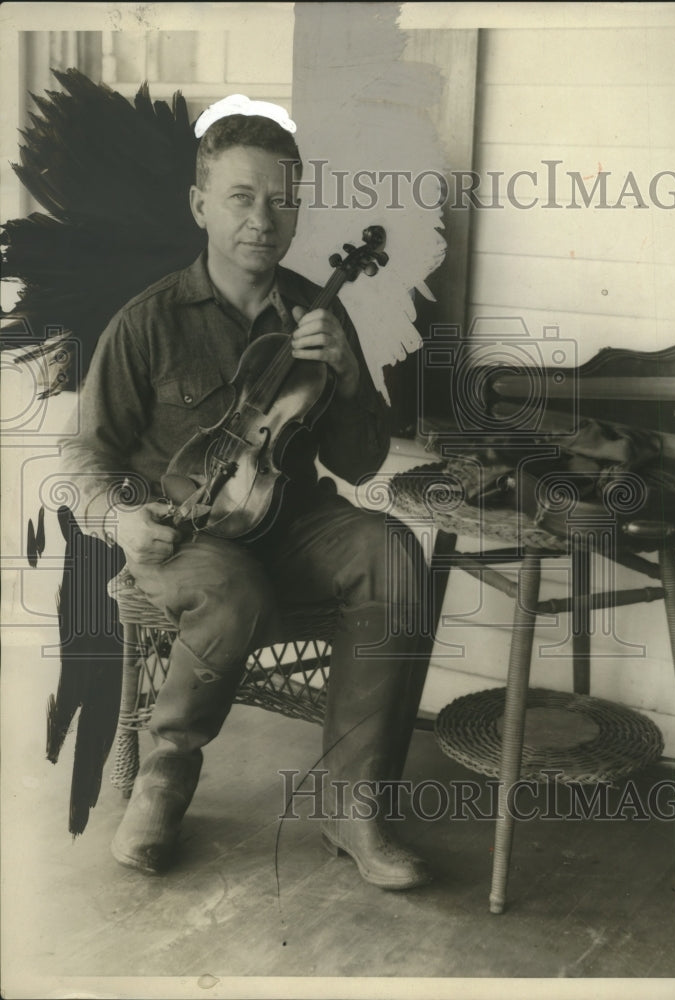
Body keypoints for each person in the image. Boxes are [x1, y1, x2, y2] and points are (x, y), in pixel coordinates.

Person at [58, 99, 432, 890]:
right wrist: (121, 519)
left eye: (281, 199)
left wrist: (351, 375)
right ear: (201, 206)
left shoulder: (321, 314)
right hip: (187, 540)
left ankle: (353, 805)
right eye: (240, 197)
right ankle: (167, 773)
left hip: (293, 523)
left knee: (393, 550)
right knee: (233, 585)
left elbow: (361, 465)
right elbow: (85, 452)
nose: (263, 218)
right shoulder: (147, 322)